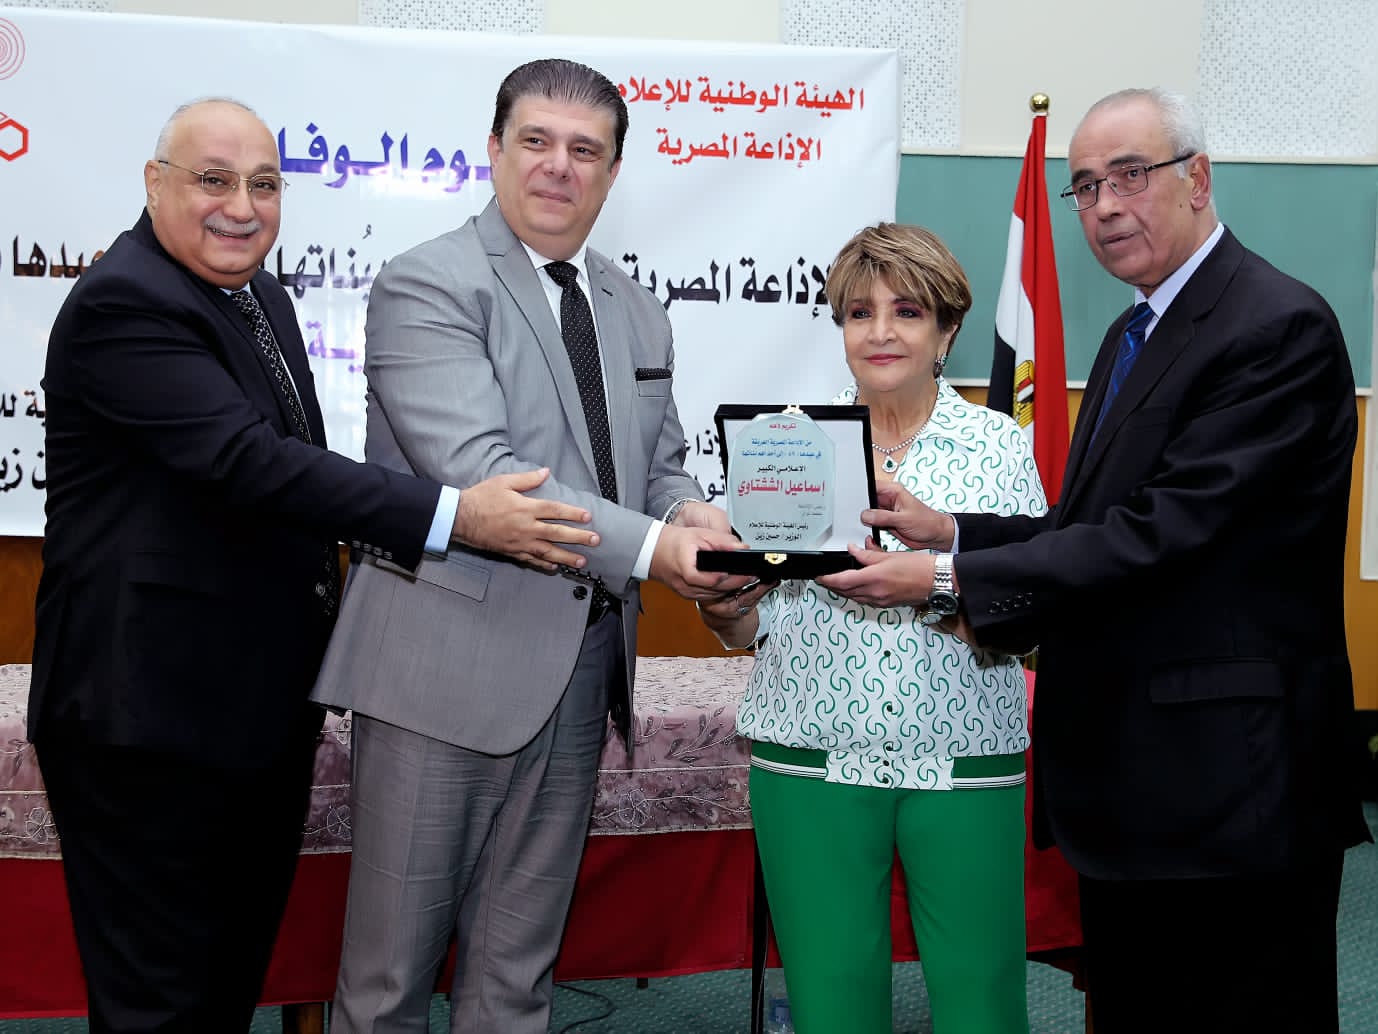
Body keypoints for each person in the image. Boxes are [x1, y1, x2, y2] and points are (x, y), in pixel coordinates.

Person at [30, 97, 600, 1033]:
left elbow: (295, 474)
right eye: (214, 181)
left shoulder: (260, 298)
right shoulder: (123, 303)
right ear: (155, 184)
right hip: (149, 720)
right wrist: (458, 515)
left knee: (221, 985)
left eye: (264, 185)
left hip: (250, 712)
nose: (241, 207)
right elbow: (252, 463)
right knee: (158, 1002)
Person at [820, 88, 1372, 1033]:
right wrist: (952, 533)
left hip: (1232, 789)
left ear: (1198, 178)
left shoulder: (1275, 324)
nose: (1105, 205)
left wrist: (946, 581)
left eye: (1130, 175)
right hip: (1141, 786)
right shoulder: (1131, 332)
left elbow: (1168, 534)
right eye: (1083, 187)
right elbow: (1089, 523)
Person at [311, 59, 748, 1033]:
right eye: (537, 141)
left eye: (585, 150)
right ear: (495, 151)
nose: (559, 166)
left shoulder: (636, 308)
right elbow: (482, 471)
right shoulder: (428, 282)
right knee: (387, 984)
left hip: (582, 673)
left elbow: (660, 466)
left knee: (516, 981)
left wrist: (693, 520)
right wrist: (657, 549)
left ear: (613, 172)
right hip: (439, 676)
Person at [699, 223, 1046, 1034]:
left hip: (964, 758)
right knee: (831, 1006)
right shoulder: (786, 446)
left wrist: (932, 588)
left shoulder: (998, 447)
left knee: (984, 1004)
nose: (881, 332)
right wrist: (726, 605)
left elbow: (1031, 618)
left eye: (907, 312)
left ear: (947, 332)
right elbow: (745, 625)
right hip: (808, 758)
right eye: (859, 313)